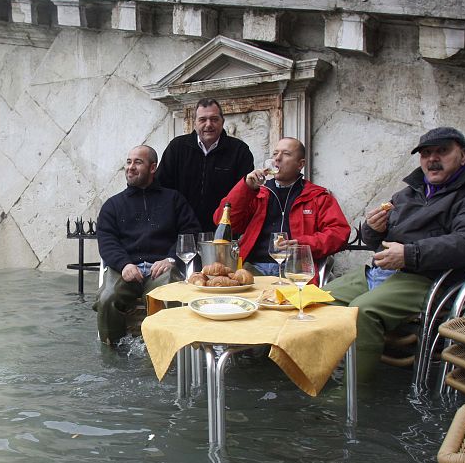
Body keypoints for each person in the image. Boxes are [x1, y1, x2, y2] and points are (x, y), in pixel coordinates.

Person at [324, 127, 465, 380]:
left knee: (363, 311)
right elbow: (374, 241)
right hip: (386, 271)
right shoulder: (409, 192)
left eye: (442, 151)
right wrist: (373, 229)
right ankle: (323, 373)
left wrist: (410, 254)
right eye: (426, 153)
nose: (432, 159)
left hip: (430, 278)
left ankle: (353, 393)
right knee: (319, 299)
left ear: (462, 156)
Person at [94, 145, 200, 344]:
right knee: (107, 298)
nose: (130, 167)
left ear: (153, 168)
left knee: (170, 293)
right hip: (124, 269)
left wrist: (171, 259)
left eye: (138, 162)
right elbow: (107, 240)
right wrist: (123, 264)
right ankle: (112, 355)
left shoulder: (174, 199)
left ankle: (165, 352)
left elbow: (190, 233)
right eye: (128, 162)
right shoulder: (113, 205)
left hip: (162, 268)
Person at [213, 137, 350, 280]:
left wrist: (303, 244)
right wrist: (245, 188)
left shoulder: (317, 196)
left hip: (296, 269)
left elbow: (339, 233)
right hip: (253, 268)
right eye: (275, 154)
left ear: (300, 164)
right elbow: (223, 221)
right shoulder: (258, 193)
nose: (277, 159)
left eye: (286, 154)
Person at [157, 98, 254, 232]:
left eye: (214, 119)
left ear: (222, 122)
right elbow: (162, 188)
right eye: (202, 120)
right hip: (181, 231)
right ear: (195, 123)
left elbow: (245, 195)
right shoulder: (177, 147)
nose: (209, 124)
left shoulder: (239, 151)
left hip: (224, 231)